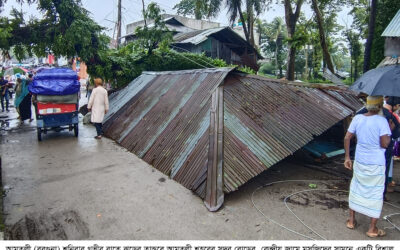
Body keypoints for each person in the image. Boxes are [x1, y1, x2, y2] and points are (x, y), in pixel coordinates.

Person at [344, 96, 392, 238]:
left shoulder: (358, 118)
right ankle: (372, 229)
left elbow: (347, 137)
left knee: (356, 187)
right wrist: (389, 131)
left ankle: (351, 221)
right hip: (376, 163)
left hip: (360, 160)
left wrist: (347, 157)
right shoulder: (382, 121)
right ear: (379, 107)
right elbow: (384, 144)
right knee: (375, 192)